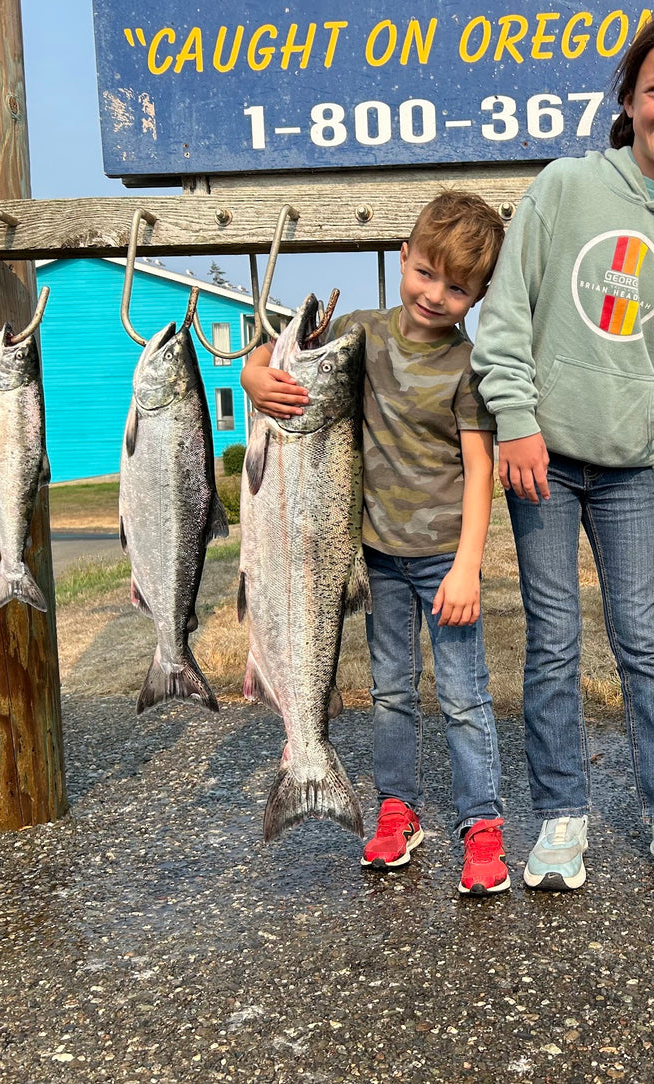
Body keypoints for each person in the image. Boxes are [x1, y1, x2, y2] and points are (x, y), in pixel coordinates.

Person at [470, 11, 654, 897]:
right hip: (537, 462)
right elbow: (506, 313)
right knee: (551, 642)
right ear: (627, 98)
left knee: (644, 644)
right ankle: (561, 817)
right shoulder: (566, 185)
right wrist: (515, 417)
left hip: (627, 470)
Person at [241, 191, 509, 896]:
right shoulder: (361, 332)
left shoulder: (467, 367)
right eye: (426, 273)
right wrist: (250, 371)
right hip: (376, 559)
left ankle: (482, 824)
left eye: (457, 287)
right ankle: (398, 811)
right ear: (403, 260)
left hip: (444, 562)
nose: (435, 294)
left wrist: (468, 568)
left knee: (461, 696)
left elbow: (480, 468)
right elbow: (275, 353)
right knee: (391, 693)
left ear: (478, 295)